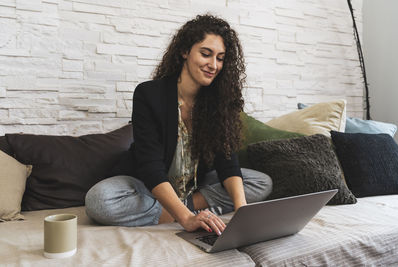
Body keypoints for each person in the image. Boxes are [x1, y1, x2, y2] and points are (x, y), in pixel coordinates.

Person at [85, 14, 272, 236]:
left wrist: (243, 212)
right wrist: (186, 219)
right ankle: (182, 211)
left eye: (220, 58)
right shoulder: (148, 94)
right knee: (99, 200)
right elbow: (150, 167)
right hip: (148, 185)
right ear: (185, 51)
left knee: (260, 182)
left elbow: (227, 161)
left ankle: (176, 209)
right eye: (206, 54)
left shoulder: (219, 101)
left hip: (194, 185)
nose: (213, 65)